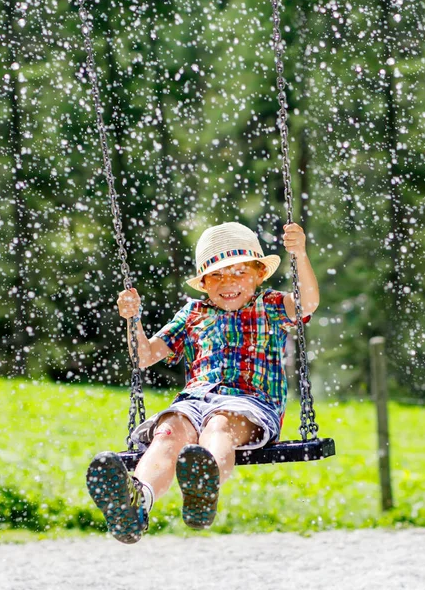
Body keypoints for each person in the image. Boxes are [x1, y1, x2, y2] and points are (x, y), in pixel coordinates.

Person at [86, 221, 320, 544]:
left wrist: (300, 255)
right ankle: (135, 504)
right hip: (194, 401)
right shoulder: (192, 314)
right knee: (168, 432)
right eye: (218, 276)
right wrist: (132, 319)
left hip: (250, 403)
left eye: (239, 272)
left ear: (259, 274)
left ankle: (203, 484)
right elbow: (144, 355)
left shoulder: (272, 306)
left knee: (219, 426)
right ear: (204, 283)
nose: (228, 283)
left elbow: (307, 303)